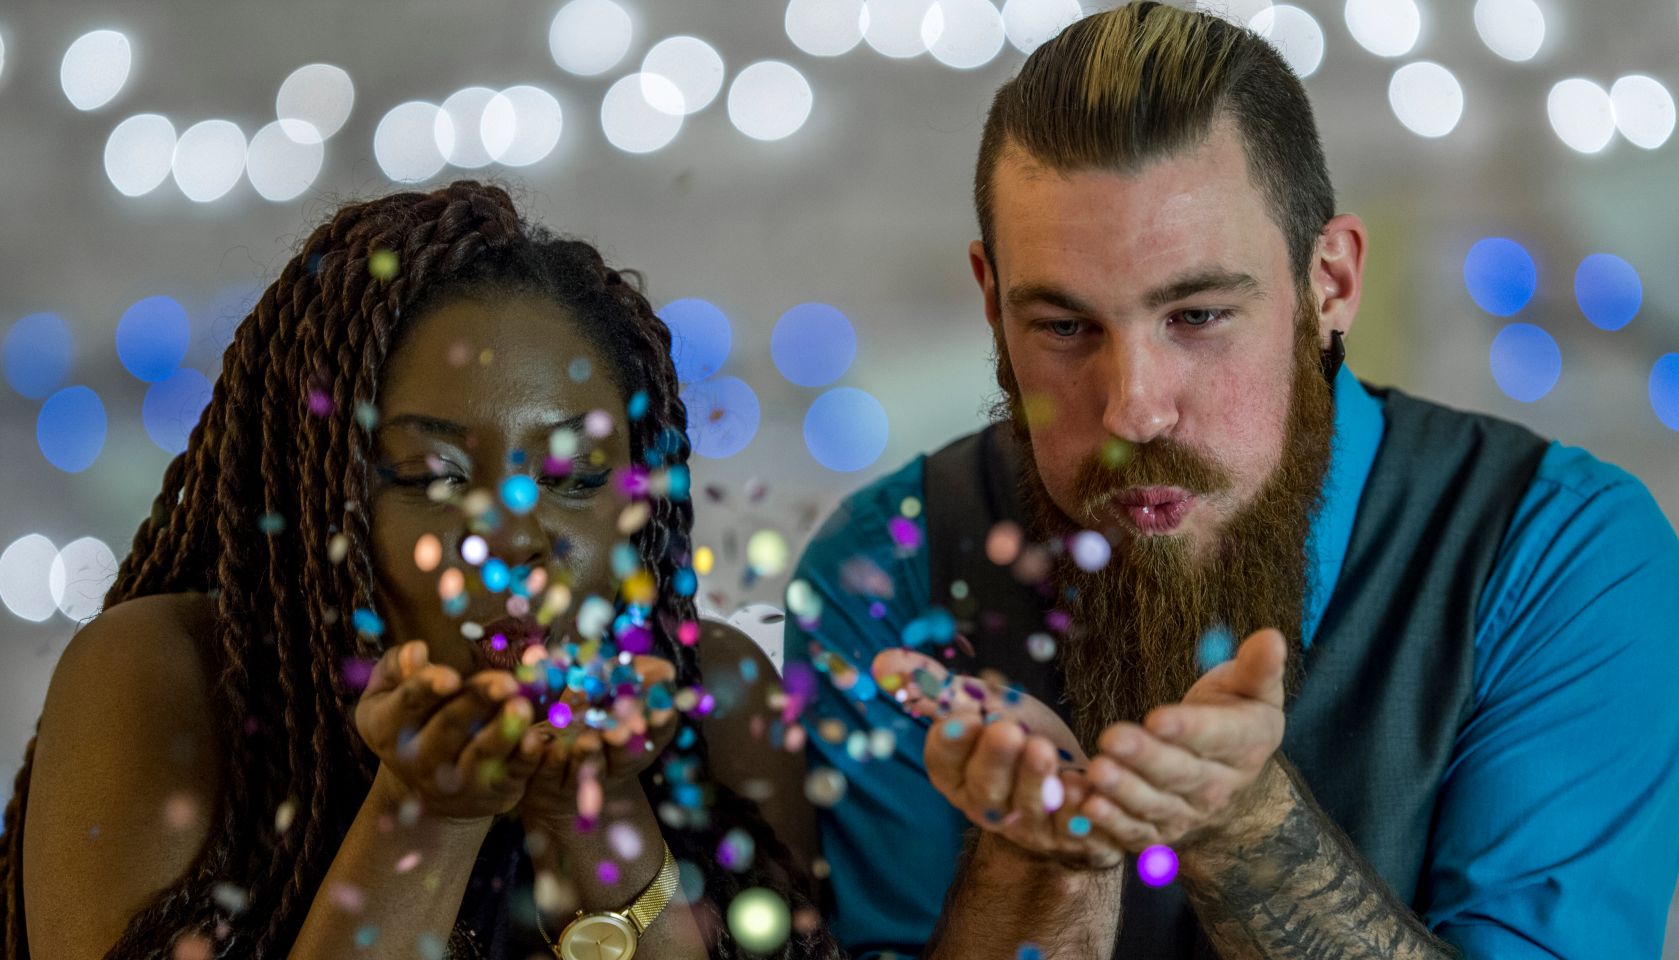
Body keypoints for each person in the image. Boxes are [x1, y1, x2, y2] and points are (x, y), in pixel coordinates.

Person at [784, 4, 1679, 957]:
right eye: (1062, 327)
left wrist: (1248, 830)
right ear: (990, 299)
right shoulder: (883, 572)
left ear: (1328, 283)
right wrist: (1034, 867)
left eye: (1198, 315)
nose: (1133, 410)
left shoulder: (1562, 554)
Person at [1, 182, 836, 960]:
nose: (515, 540)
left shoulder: (712, 696)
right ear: (319, 495)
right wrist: (426, 814)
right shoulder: (160, 676)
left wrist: (593, 818)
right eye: (436, 478)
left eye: (575, 478)